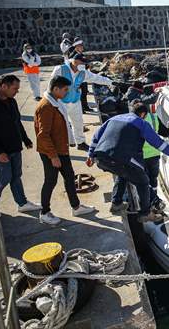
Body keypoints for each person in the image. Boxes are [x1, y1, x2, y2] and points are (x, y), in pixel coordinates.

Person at [87, 102, 169, 223]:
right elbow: (158, 143)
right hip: (123, 159)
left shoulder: (114, 119)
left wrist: (90, 155)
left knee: (123, 174)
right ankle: (145, 214)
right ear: (143, 114)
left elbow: (95, 136)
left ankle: (116, 203)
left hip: (101, 157)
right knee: (143, 181)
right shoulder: (142, 123)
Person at [34, 76, 95, 225]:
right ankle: (44, 212)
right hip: (52, 152)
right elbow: (43, 135)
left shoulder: (56, 102)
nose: (67, 92)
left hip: (61, 149)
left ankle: (76, 206)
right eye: (65, 90)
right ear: (55, 89)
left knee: (69, 177)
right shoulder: (46, 107)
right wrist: (53, 156)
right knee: (50, 181)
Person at [0, 75, 41, 212]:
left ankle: (22, 203)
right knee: (5, 177)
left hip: (14, 146)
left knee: (16, 175)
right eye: (15, 88)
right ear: (4, 86)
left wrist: (25, 139)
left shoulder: (11, 101)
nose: (17, 91)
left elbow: (17, 122)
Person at [51, 50, 113, 151]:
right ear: (74, 61)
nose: (83, 65)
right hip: (61, 102)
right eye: (81, 62)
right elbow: (51, 85)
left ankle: (80, 143)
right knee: (61, 125)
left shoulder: (83, 73)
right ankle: (61, 145)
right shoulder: (60, 69)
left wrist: (110, 82)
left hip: (75, 101)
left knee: (78, 123)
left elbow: (96, 78)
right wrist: (52, 101)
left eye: (84, 63)